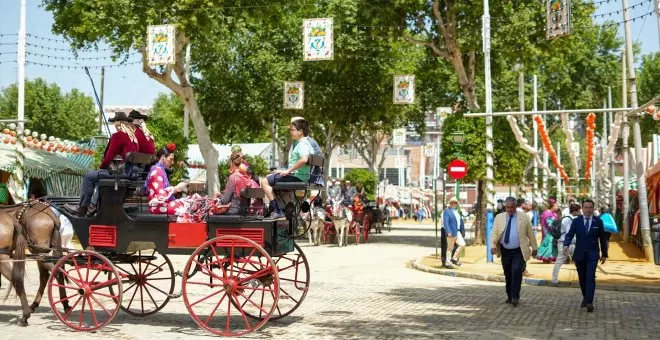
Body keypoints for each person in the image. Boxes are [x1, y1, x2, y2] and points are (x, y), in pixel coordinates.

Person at [65, 112, 138, 217]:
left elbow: (109, 157)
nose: (114, 126)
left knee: (89, 176)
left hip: (120, 172)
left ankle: (82, 208)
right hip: (130, 172)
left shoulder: (118, 136)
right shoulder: (133, 138)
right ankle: (93, 206)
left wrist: (100, 168)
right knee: (98, 175)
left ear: (119, 123)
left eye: (115, 123)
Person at [490, 197, 538, 307]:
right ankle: (509, 295)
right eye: (508, 207)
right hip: (505, 250)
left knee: (516, 271)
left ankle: (515, 296)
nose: (510, 209)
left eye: (512, 207)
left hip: (518, 250)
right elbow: (494, 233)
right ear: (505, 207)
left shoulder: (524, 217)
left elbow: (530, 233)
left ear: (515, 207)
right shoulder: (499, 217)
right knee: (508, 273)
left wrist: (535, 248)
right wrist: (493, 246)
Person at [261, 118, 314, 218]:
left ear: (300, 131)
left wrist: (288, 171)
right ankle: (284, 207)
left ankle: (277, 210)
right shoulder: (307, 143)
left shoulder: (302, 144)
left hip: (297, 177)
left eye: (292, 129)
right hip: (300, 176)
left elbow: (304, 159)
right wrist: (282, 171)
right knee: (270, 176)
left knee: (264, 181)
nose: (290, 132)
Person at [563, 199, 609, 312]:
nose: (588, 210)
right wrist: (566, 245)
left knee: (590, 277)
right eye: (586, 207)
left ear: (593, 209)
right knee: (582, 278)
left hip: (593, 255)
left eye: (590, 208)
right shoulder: (576, 221)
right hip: (579, 254)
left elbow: (603, 239)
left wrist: (604, 254)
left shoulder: (598, 222)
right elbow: (569, 235)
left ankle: (589, 302)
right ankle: (585, 297)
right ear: (582, 209)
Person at [552, 203, 581, 284]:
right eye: (579, 210)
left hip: (569, 244)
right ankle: (554, 280)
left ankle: (583, 277)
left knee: (579, 260)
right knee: (560, 261)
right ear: (575, 211)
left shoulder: (570, 218)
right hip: (564, 243)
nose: (580, 212)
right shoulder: (568, 219)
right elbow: (569, 233)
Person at [443, 197, 466, 268]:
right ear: (450, 204)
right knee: (450, 248)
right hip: (451, 232)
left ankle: (454, 258)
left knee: (462, 244)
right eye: (452, 202)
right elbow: (445, 222)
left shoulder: (457, 212)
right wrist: (448, 231)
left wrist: (463, 232)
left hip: (458, 232)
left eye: (455, 203)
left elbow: (461, 223)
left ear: (457, 204)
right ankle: (447, 263)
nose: (453, 204)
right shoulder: (447, 211)